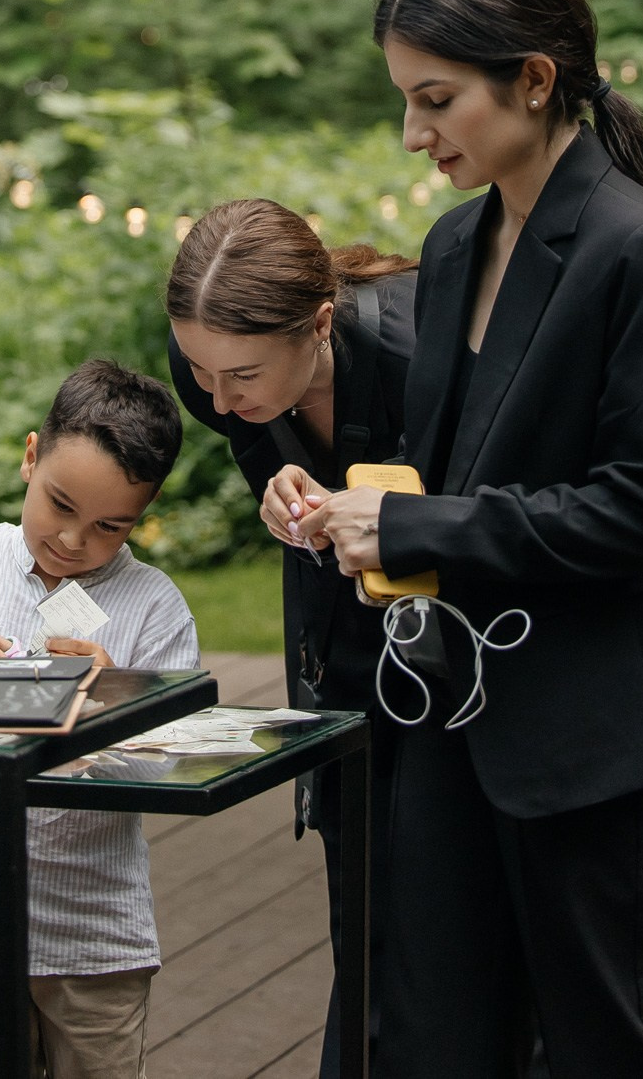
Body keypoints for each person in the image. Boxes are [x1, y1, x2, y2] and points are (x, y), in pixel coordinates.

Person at [263, 0, 643, 1078]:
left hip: (582, 738)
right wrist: (333, 505)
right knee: (437, 1041)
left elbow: (642, 513)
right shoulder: (456, 238)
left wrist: (415, 526)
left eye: (435, 99)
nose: (414, 134)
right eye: (405, 101)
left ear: (532, 80)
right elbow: (448, 467)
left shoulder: (639, 251)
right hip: (447, 723)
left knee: (624, 1045)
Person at [0, 359, 199, 1079]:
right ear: (30, 458)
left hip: (88, 920)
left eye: (110, 526)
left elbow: (167, 761)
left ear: (141, 518)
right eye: (59, 505)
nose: (74, 540)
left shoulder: (154, 607)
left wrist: (114, 691)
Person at [166, 196, 418, 1077]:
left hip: (464, 649)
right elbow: (259, 452)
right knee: (364, 906)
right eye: (198, 368)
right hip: (338, 649)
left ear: (319, 324)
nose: (216, 396)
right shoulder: (209, 364)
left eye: (240, 373)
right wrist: (283, 498)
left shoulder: (417, 353)